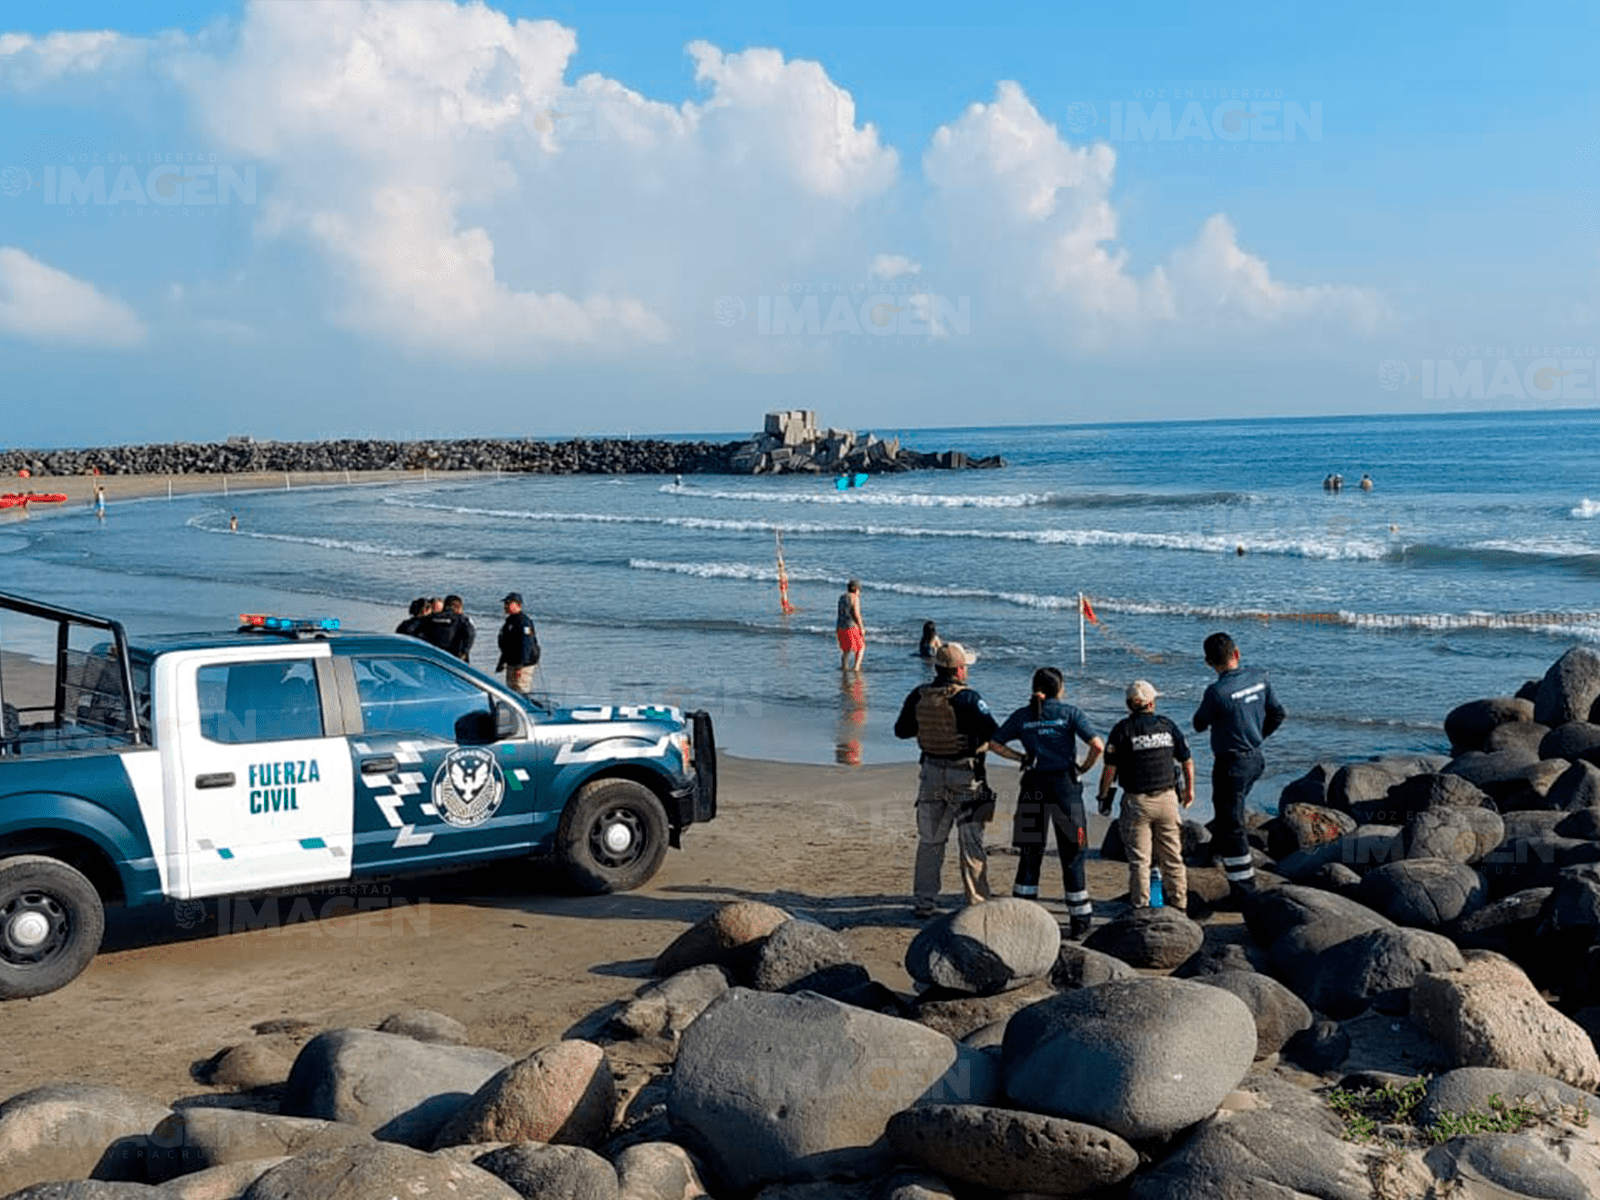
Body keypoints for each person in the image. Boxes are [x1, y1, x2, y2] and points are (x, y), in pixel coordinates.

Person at [983, 667, 1103, 938]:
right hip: (1065, 789)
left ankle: (1023, 918)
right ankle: (1080, 922)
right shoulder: (1070, 713)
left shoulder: (1023, 716)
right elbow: (1098, 746)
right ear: (1060, 689)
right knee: (1073, 853)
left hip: (1033, 788)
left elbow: (993, 743)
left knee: (1029, 854)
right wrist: (1083, 768)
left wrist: (1020, 757)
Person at [893, 641, 997, 918]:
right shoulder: (970, 698)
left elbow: (901, 731)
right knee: (971, 842)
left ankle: (924, 901)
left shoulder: (919, 695)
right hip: (966, 776)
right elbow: (994, 733)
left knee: (930, 842)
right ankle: (976, 901)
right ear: (959, 670)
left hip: (930, 774)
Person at [1193, 631, 1285, 900]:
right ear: (1237, 653)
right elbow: (1278, 713)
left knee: (1232, 822)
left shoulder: (1217, 692)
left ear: (1209, 662)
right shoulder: (1260, 677)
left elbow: (1199, 724)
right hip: (1255, 758)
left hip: (1231, 763)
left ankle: (1243, 888)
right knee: (1229, 811)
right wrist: (1257, 734)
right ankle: (1216, 852)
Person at [1097, 680, 1194, 911]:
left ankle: (1141, 906)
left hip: (1137, 801)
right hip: (1167, 798)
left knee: (1140, 860)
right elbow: (1186, 760)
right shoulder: (1167, 726)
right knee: (1172, 856)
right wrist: (1189, 790)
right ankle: (1179, 903)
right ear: (1151, 702)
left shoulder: (1122, 730)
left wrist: (1103, 796)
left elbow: (1110, 769)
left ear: (1129, 705)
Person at [496, 592, 541, 694]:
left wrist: (520, 666)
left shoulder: (524, 622)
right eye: (505, 604)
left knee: (520, 689)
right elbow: (506, 644)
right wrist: (502, 662)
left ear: (518, 605)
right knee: (511, 689)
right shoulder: (510, 621)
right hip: (512, 662)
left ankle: (525, 709)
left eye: (509, 603)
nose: (505, 606)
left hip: (522, 664)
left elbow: (527, 644)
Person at [836, 579, 865, 671]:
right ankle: (856, 668)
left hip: (840, 627)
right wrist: (861, 627)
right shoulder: (854, 598)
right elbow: (856, 614)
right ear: (856, 589)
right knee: (860, 647)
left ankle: (844, 667)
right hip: (851, 627)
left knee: (845, 650)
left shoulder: (842, 597)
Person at [444, 595, 475, 663]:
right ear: (459, 607)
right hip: (459, 654)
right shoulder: (465, 620)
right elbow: (470, 634)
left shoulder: (437, 618)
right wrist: (465, 651)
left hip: (440, 654)